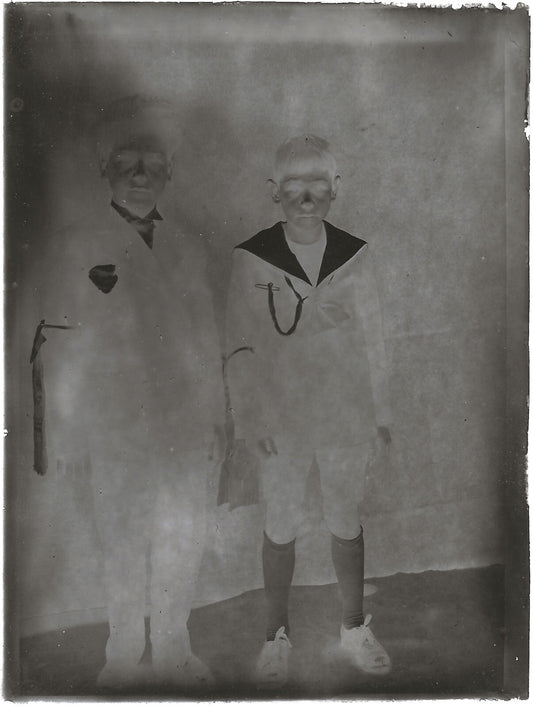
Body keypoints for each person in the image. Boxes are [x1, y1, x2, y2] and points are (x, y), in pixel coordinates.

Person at [30, 95, 223, 690]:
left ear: (170, 170)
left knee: (181, 540)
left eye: (152, 162)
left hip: (184, 423)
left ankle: (172, 650)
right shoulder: (76, 244)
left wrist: (218, 417)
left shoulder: (188, 246)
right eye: (125, 161)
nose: (140, 174)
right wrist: (65, 434)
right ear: (104, 168)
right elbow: (58, 346)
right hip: (115, 426)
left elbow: (206, 339)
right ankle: (122, 657)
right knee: (122, 543)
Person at [225, 134, 393, 688]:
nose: (305, 197)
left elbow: (376, 341)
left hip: (346, 415)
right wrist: (250, 420)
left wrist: (381, 416)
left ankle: (353, 627)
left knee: (345, 517)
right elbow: (239, 346)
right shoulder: (251, 258)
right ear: (274, 191)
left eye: (317, 185)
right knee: (281, 521)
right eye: (293, 186)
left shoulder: (356, 256)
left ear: (335, 189)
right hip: (281, 419)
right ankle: (276, 635)